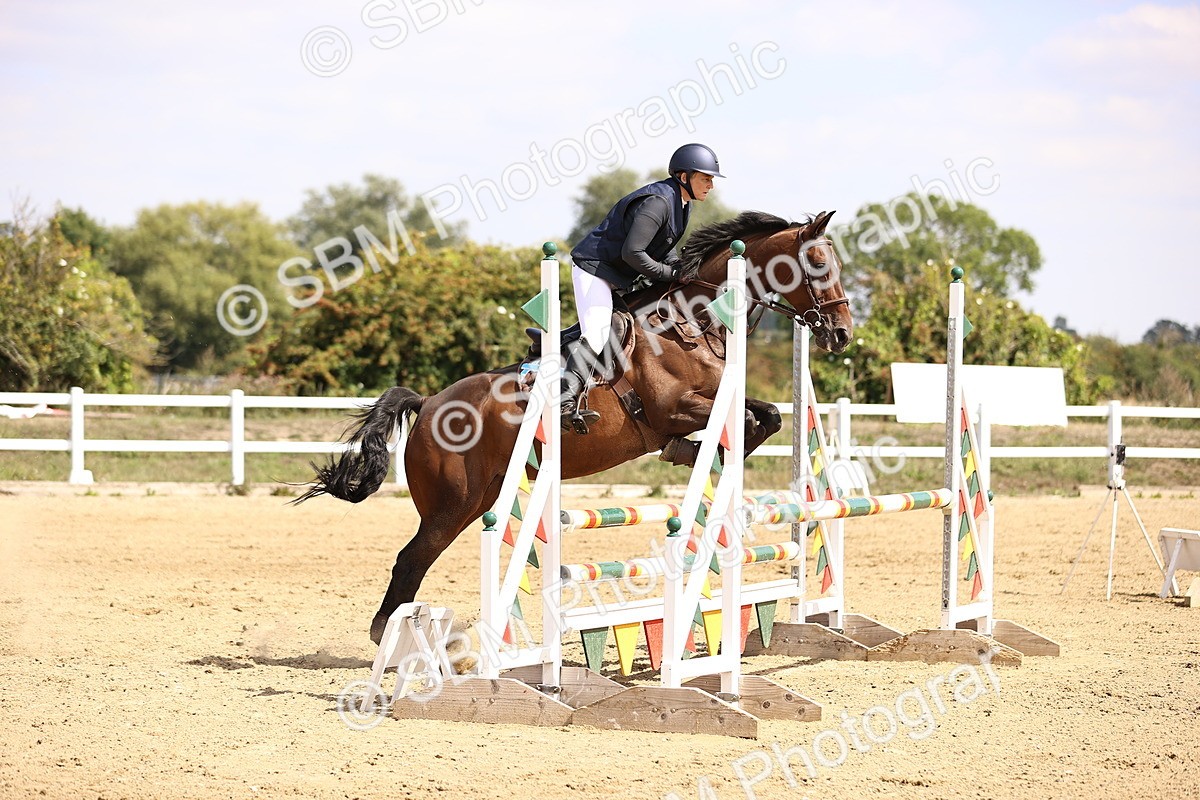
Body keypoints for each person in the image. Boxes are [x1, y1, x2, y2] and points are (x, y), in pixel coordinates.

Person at [562, 143, 724, 433]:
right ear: (684, 177)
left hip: (619, 275)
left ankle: (561, 345)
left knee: (624, 327)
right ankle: (564, 401)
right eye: (705, 178)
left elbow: (663, 247)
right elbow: (633, 253)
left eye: (711, 179)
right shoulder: (658, 202)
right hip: (595, 270)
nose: (710, 185)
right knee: (597, 333)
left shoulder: (682, 204)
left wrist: (679, 269)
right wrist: (670, 273)